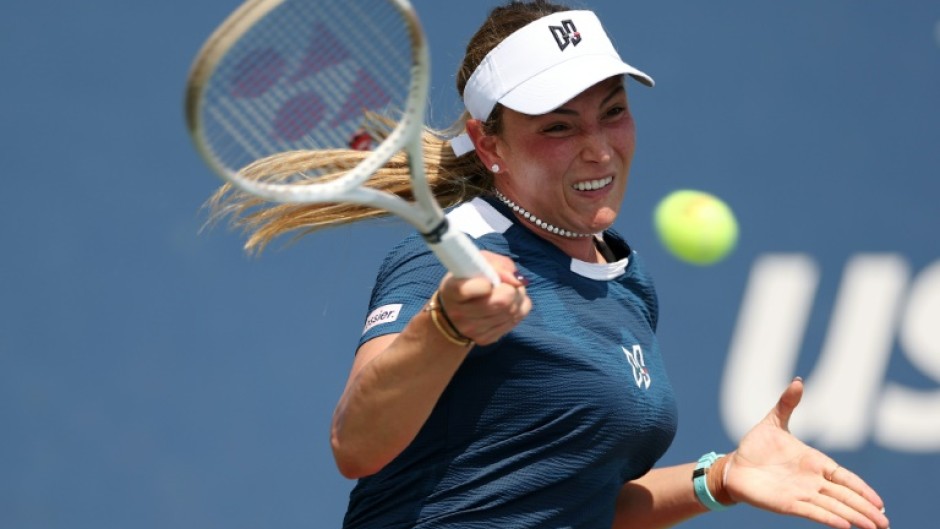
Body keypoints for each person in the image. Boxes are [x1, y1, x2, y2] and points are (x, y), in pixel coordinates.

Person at [210, 2, 892, 528]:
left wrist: (717, 479)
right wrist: (445, 326)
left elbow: (581, 505)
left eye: (613, 113)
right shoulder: (448, 263)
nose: (599, 149)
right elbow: (354, 445)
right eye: (559, 126)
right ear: (489, 142)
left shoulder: (625, 279)